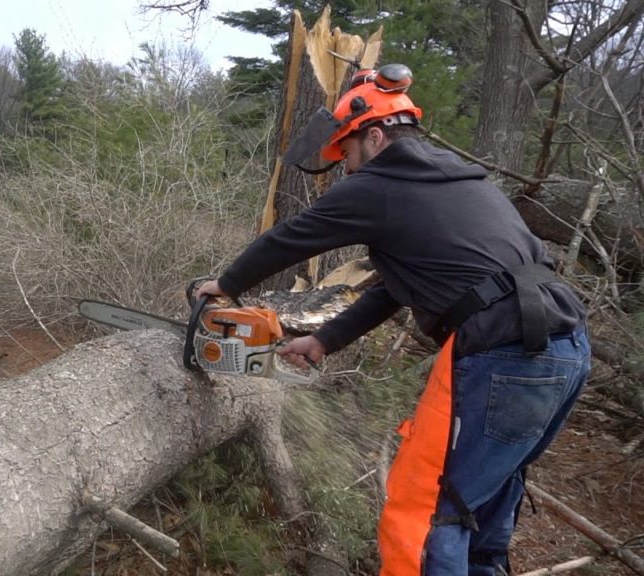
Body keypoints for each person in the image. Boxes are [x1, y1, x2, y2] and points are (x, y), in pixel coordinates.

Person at [195, 65, 590, 576]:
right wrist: (325, 339)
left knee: (429, 515)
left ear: (375, 135)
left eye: (349, 155)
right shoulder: (455, 183)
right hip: (564, 349)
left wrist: (225, 285)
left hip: (505, 354)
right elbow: (393, 289)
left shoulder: (382, 184)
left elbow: (290, 236)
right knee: (483, 500)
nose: (348, 172)